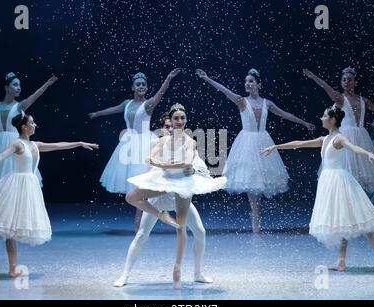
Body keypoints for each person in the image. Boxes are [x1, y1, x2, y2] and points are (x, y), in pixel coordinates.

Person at [0, 112, 98, 277]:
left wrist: (78, 143)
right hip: (14, 184)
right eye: (32, 123)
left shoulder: (35, 145)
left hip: (29, 186)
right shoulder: (17, 143)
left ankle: (13, 269)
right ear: (24, 126)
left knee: (11, 229)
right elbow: (1, 155)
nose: (35, 125)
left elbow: (57, 145)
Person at [261, 106, 374, 272]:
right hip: (328, 181)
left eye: (324, 116)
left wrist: (367, 153)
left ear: (332, 120)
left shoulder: (339, 138)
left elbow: (352, 147)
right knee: (342, 220)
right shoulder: (325, 139)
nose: (321, 118)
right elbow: (299, 144)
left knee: (358, 216)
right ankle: (341, 261)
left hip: (339, 181)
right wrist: (276, 147)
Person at [196, 68, 315, 232]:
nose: (247, 84)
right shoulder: (241, 101)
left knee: (259, 181)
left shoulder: (267, 103)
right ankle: (256, 217)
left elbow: (285, 114)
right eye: (246, 81)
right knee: (251, 180)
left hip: (263, 142)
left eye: (251, 81)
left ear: (259, 84)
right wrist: (207, 78)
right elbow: (224, 90)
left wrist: (304, 123)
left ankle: (256, 215)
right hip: (247, 144)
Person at [125, 104, 226, 289]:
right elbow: (150, 169)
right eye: (169, 125)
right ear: (164, 126)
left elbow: (199, 167)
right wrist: (164, 167)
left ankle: (197, 273)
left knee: (199, 232)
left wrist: (191, 169)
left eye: (179, 121)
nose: (173, 127)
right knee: (141, 234)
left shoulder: (189, 143)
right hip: (160, 196)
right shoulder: (160, 143)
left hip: (179, 193)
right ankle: (125, 274)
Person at [88, 69, 181, 232]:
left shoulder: (149, 104)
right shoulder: (127, 103)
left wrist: (168, 79)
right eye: (138, 84)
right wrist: (97, 113)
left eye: (144, 84)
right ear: (133, 87)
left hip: (145, 143)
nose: (141, 87)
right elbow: (113, 109)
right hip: (129, 143)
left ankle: (140, 222)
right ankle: (143, 220)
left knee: (142, 182)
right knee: (135, 186)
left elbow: (161, 93)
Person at [303, 67, 374, 194]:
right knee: (344, 173)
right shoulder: (340, 98)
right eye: (344, 80)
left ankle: (356, 206)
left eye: (349, 79)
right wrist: (314, 77)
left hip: (361, 138)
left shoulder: (363, 100)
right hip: (345, 138)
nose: (346, 82)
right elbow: (327, 88)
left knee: (360, 175)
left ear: (355, 82)